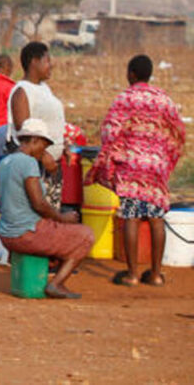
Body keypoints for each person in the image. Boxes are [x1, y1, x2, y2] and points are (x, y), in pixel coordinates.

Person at [86, 54, 186, 287]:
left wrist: (111, 158)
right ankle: (156, 274)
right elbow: (178, 131)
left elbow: (110, 131)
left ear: (131, 74)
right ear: (149, 74)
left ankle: (131, 274)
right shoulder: (163, 99)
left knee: (130, 216)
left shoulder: (124, 99)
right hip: (156, 166)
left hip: (131, 166)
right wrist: (164, 157)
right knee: (155, 216)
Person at [0, 118, 94, 299]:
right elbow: (39, 204)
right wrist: (62, 218)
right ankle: (57, 284)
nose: (45, 150)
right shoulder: (28, 163)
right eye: (44, 144)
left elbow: (1, 202)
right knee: (86, 235)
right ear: (34, 140)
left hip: (6, 234)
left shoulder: (5, 162)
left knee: (61, 230)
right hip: (26, 233)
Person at [8, 41, 66, 207]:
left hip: (52, 167)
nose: (51, 65)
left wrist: (63, 146)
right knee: (39, 215)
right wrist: (44, 156)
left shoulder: (45, 88)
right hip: (37, 167)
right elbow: (23, 132)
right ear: (34, 61)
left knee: (51, 219)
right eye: (47, 60)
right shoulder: (22, 91)